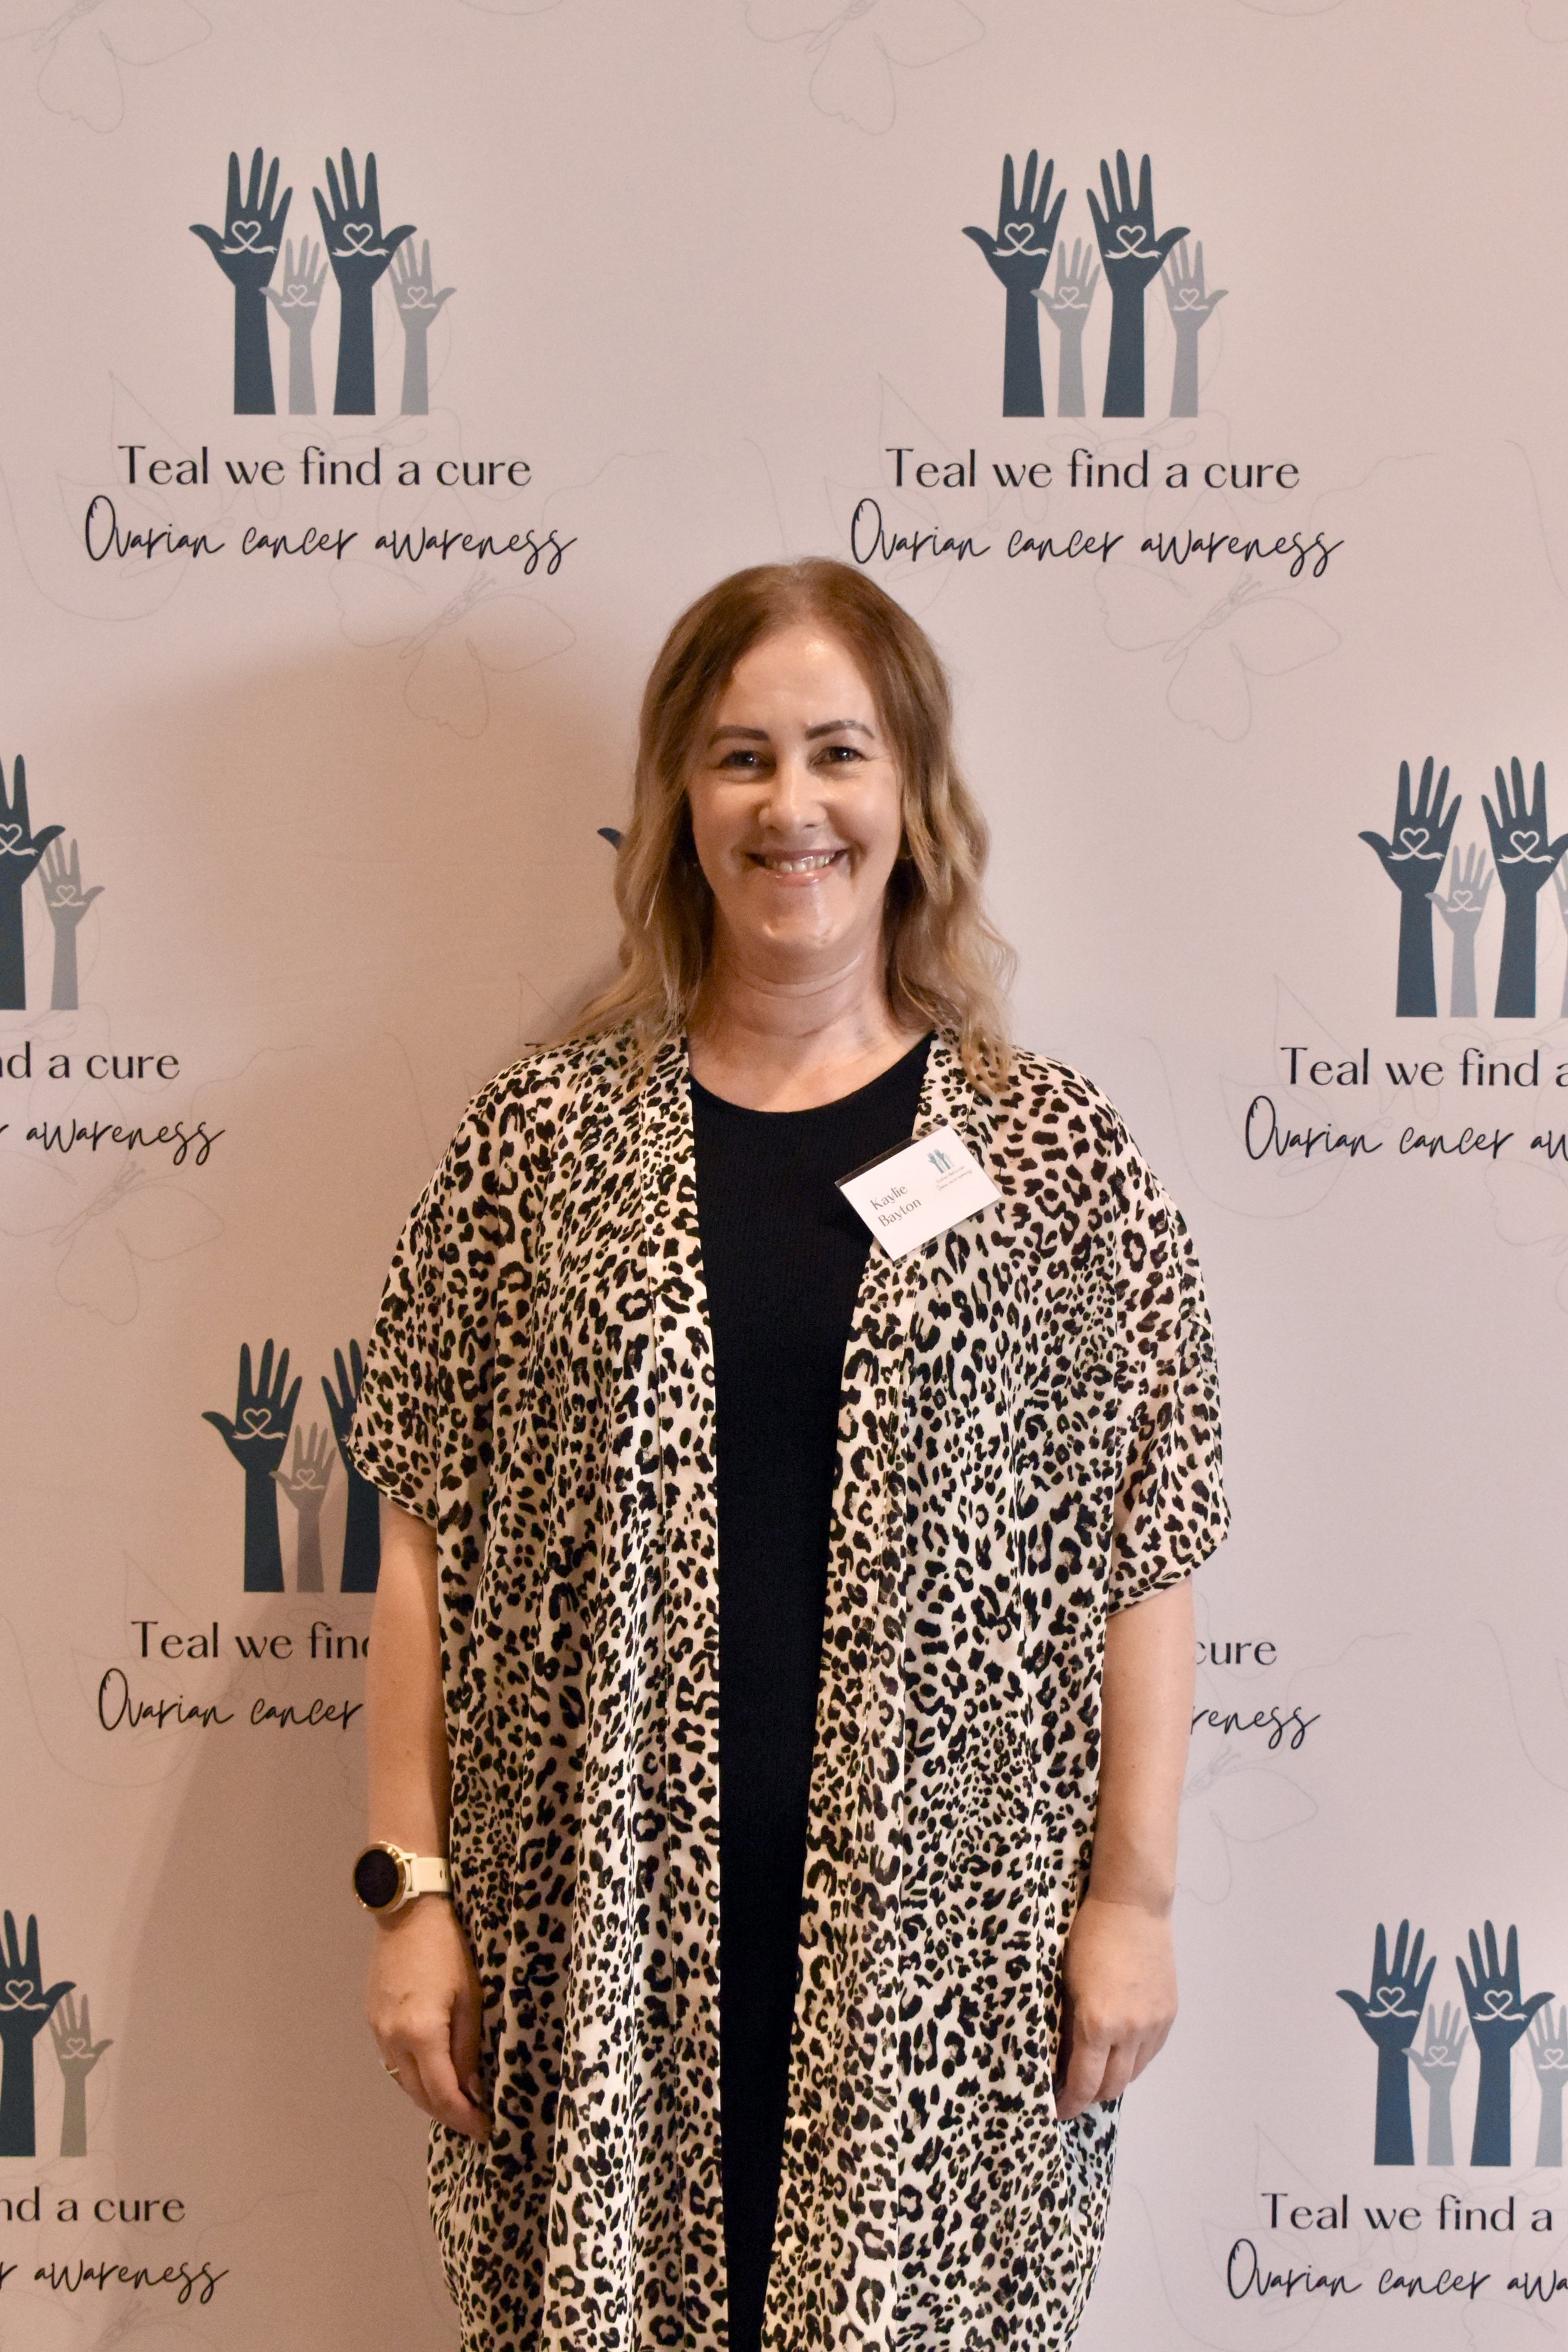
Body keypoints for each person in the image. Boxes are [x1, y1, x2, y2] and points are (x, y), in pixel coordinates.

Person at [349, 558, 1227, 2352]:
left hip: (944, 1957)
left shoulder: (1051, 1158)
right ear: (680, 798)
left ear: (911, 796)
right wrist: (409, 1893)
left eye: (838, 752)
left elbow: (1149, 1542)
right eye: (741, 758)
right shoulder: (540, 1147)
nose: (792, 807)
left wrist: (1128, 1900)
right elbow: (423, 1531)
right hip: (589, 1946)